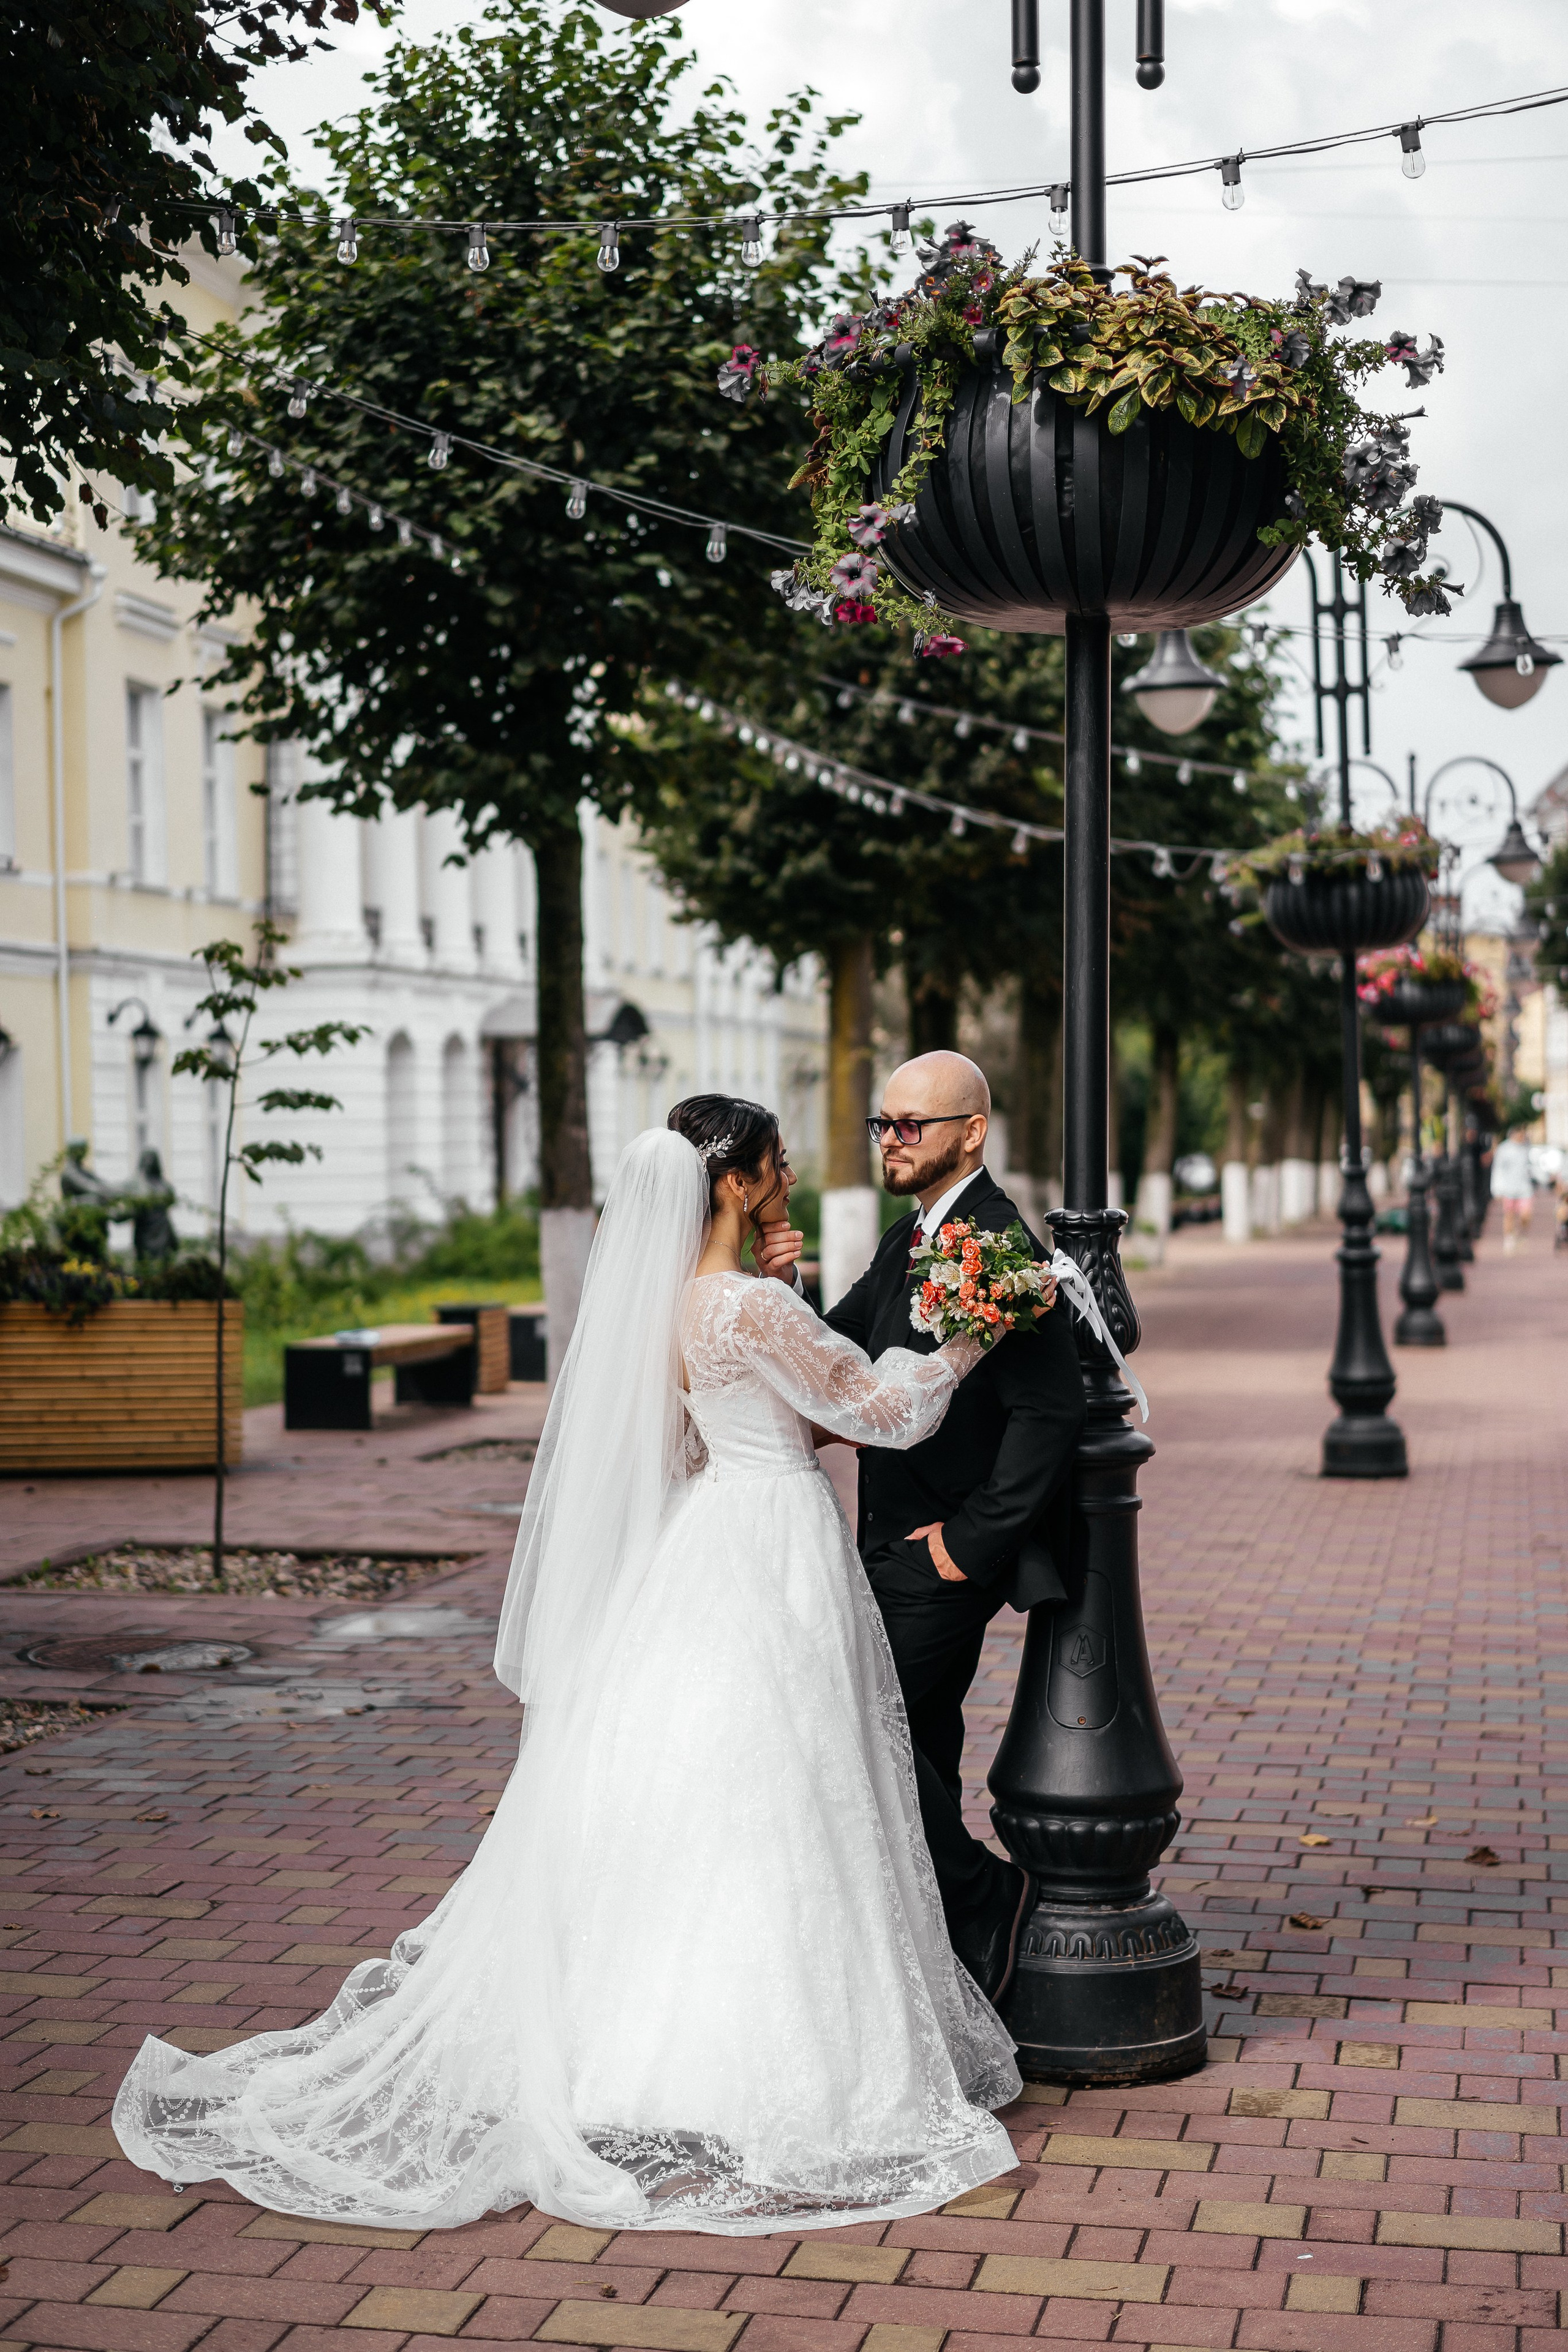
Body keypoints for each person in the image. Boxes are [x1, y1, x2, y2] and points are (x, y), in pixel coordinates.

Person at [113, 1098, 1027, 2234]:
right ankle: (772, 2068)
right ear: (736, 1183)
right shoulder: (743, 1303)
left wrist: (788, 1295)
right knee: (783, 1793)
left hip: (707, 1542)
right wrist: (979, 1327)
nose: (792, 1170)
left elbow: (704, 1433)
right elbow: (886, 1414)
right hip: (772, 1545)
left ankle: (640, 2055)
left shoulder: (675, 1306)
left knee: (708, 1794)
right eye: (777, 1159)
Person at [755, 1051, 1087, 2007]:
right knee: (916, 1746)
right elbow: (847, 1353)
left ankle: (990, 1897)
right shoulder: (917, 1231)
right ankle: (933, 1967)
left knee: (858, 1732)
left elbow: (1050, 1413)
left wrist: (968, 1545)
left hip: (939, 1555)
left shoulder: (998, 1243)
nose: (893, 1140)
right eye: (885, 1123)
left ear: (971, 1133)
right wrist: (788, 1287)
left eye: (915, 1125)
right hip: (885, 1539)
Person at [1490, 1125, 1534, 1254]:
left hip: (1525, 1188)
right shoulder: (1504, 1149)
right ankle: (1509, 1240)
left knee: (1526, 1215)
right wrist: (1497, 1189)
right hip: (1509, 1188)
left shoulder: (1526, 1147)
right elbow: (1498, 1169)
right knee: (1509, 1215)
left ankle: (1521, 1235)